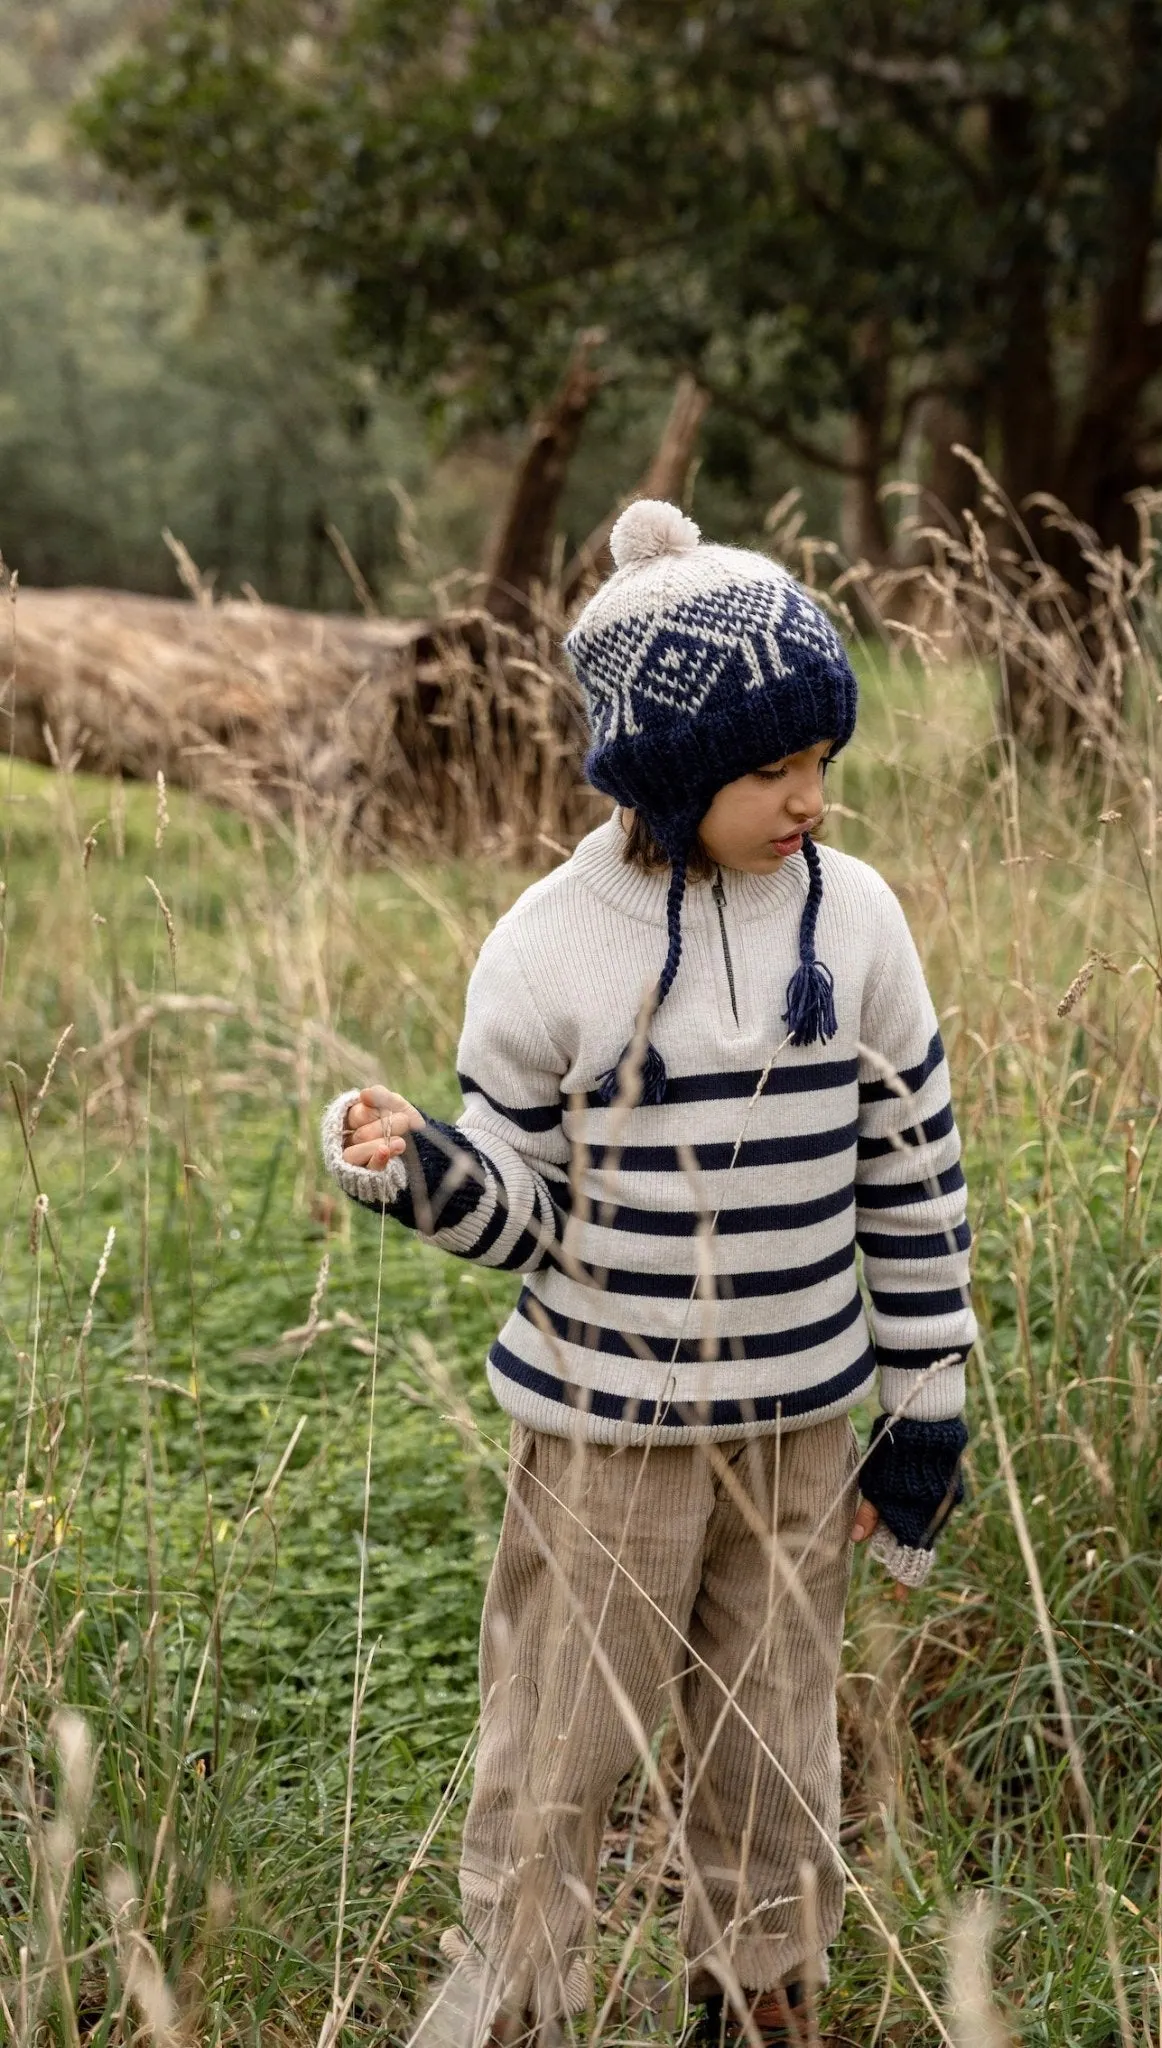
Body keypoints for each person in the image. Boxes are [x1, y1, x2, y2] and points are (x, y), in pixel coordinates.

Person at [321, 501, 976, 2047]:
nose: (809, 797)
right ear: (669, 775)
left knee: (776, 1732)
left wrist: (928, 1395)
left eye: (823, 761)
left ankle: (761, 1990)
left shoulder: (860, 919)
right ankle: (512, 1991)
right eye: (771, 771)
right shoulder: (551, 950)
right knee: (562, 1735)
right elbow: (526, 1208)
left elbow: (916, 1170)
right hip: (609, 1438)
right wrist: (422, 1170)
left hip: (801, 1428)